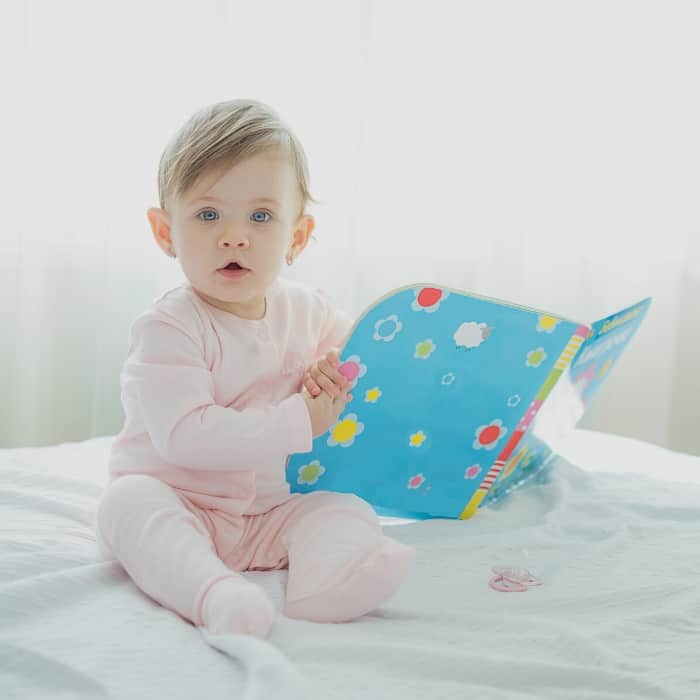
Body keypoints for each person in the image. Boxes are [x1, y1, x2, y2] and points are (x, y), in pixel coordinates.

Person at [95, 98, 416, 639]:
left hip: (266, 511)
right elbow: (184, 439)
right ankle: (213, 594)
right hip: (178, 498)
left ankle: (327, 582)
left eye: (261, 216)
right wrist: (300, 421)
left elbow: (357, 362)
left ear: (297, 237)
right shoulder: (169, 327)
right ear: (165, 231)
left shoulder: (307, 309)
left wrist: (347, 372)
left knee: (342, 507)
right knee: (126, 505)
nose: (234, 236)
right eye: (208, 214)